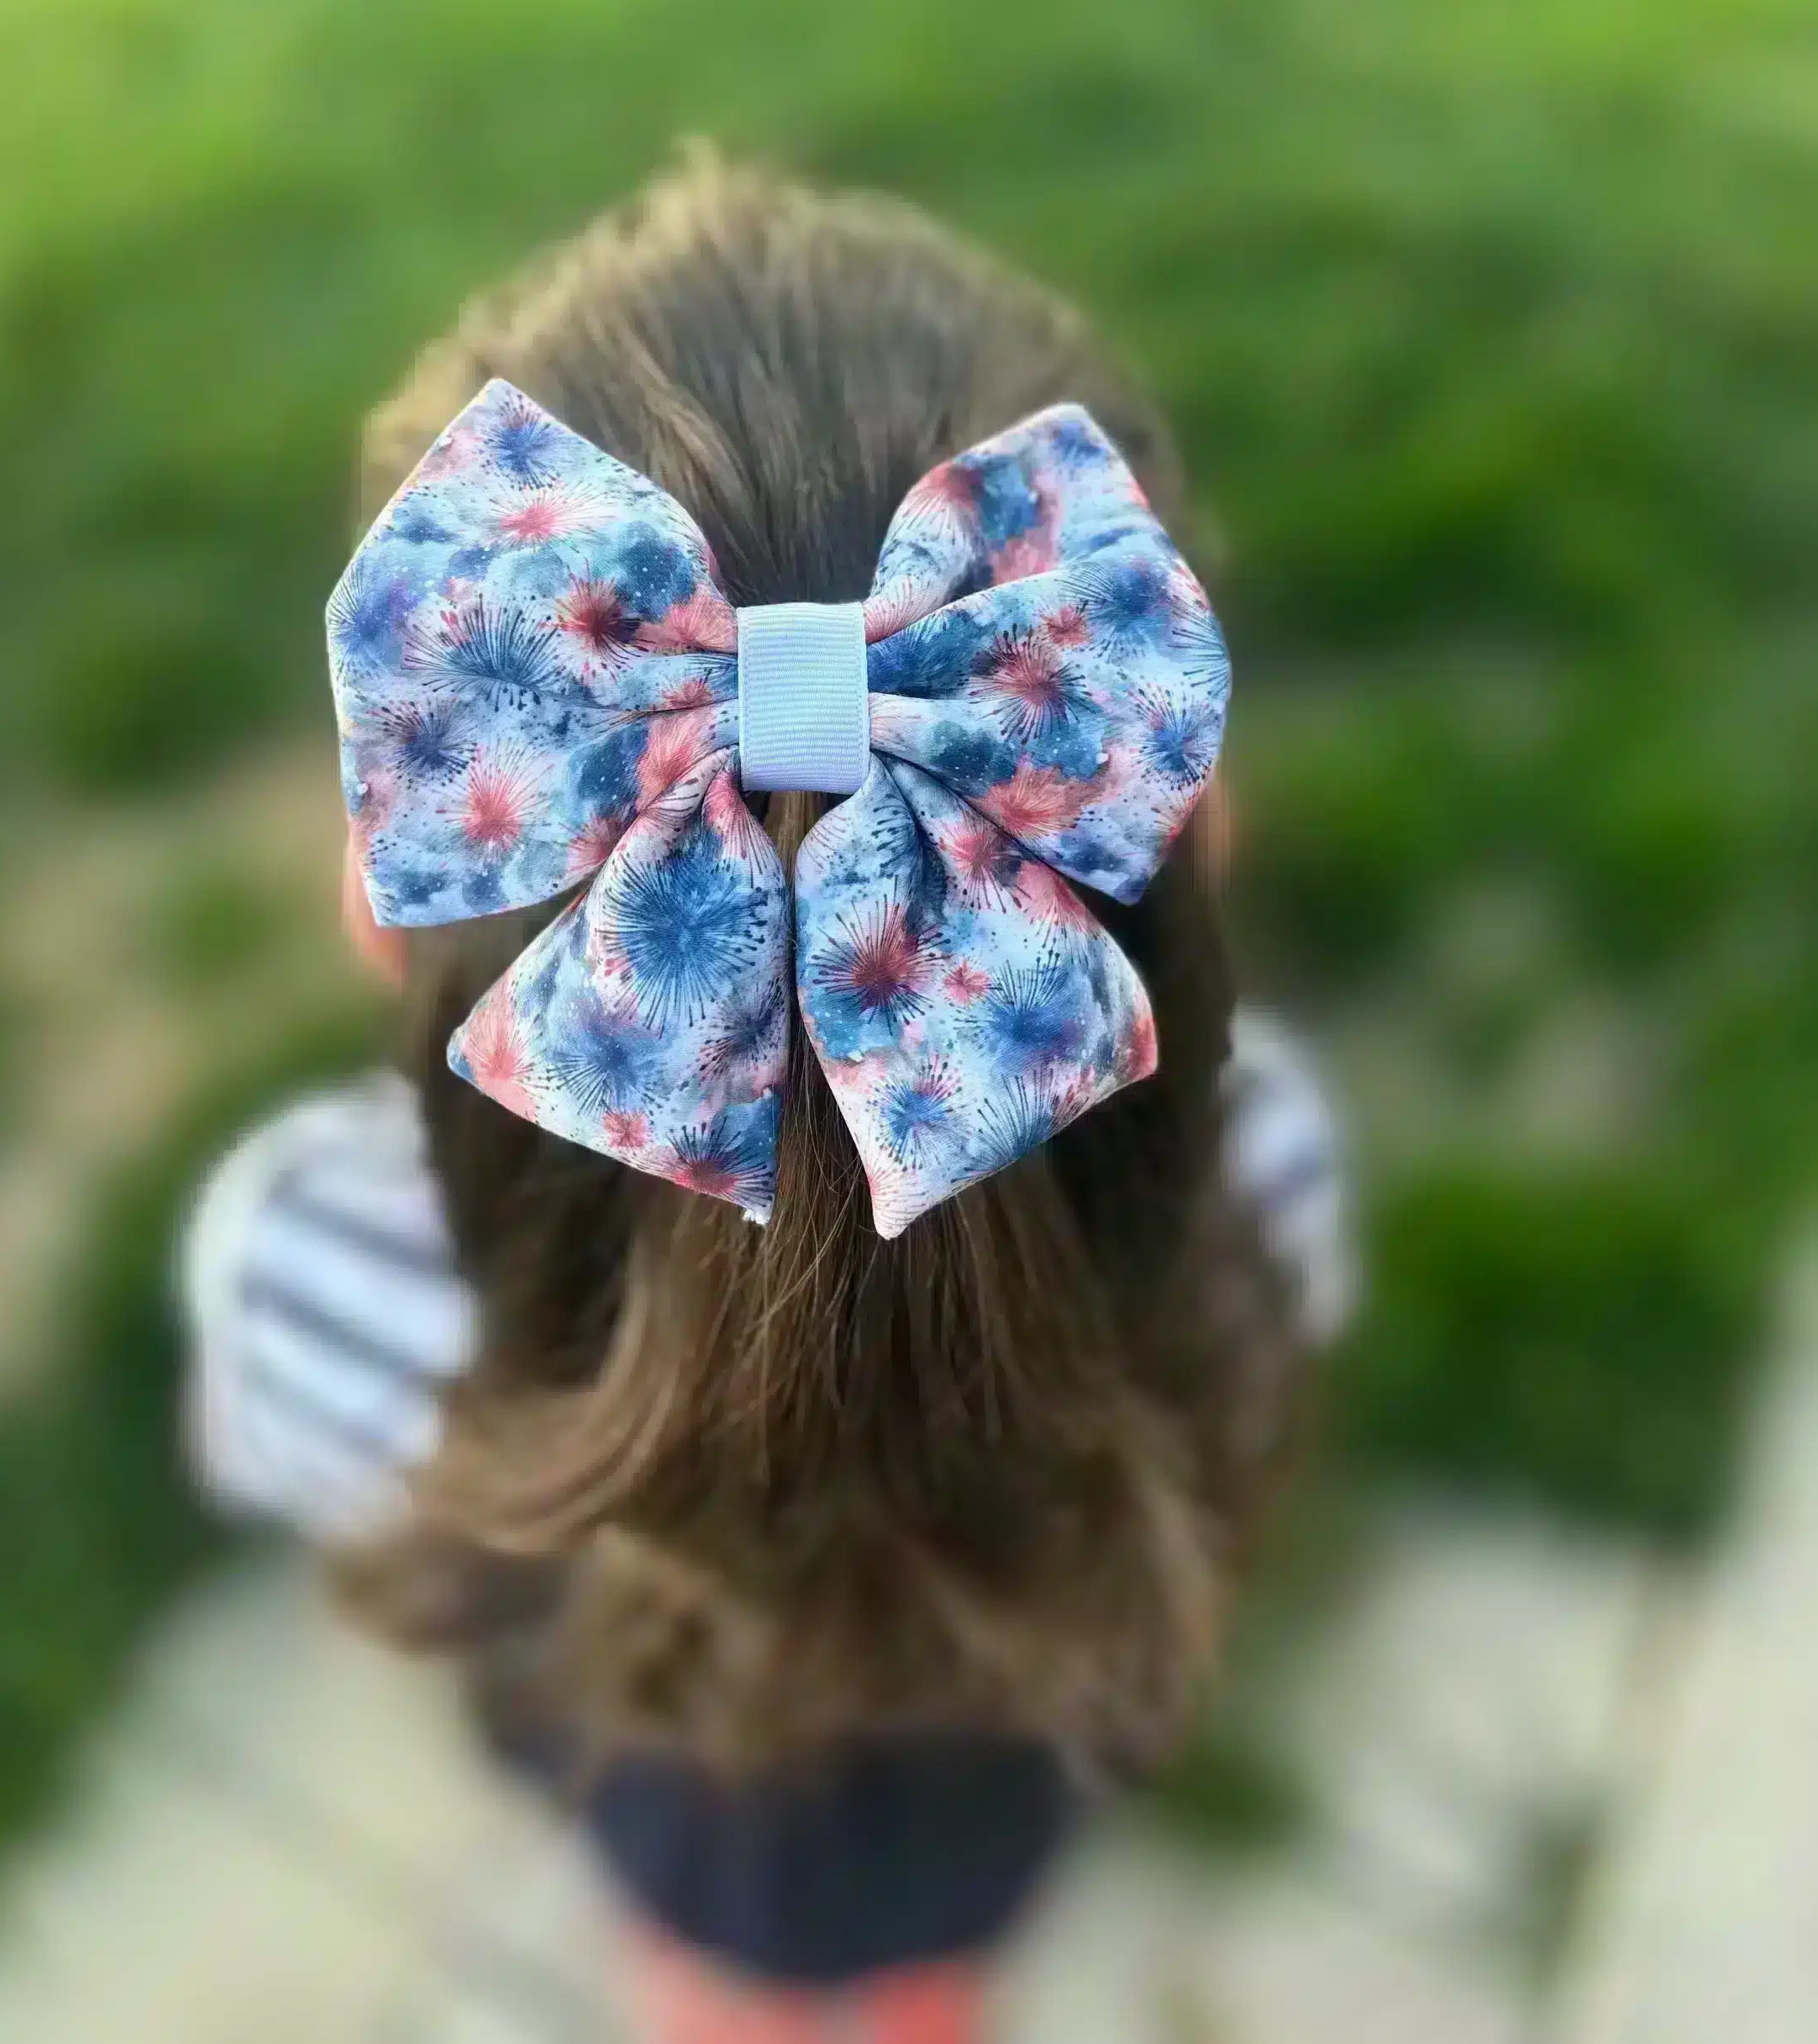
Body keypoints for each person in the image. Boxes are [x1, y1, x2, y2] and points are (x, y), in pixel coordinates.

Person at [181, 158, 1349, 2044]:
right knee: (935, 1980)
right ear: (1191, 831)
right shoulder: (1271, 1160)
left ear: (376, 908)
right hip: (1022, 1746)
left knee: (708, 1985)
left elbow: (284, 1460)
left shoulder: (301, 1266)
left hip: (632, 1767)